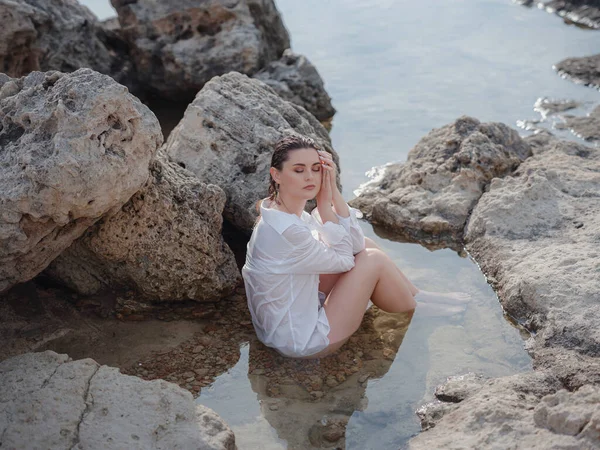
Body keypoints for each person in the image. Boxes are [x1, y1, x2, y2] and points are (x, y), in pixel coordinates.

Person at [242, 135, 469, 359]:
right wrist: (324, 204)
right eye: (298, 170)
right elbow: (345, 260)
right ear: (276, 175)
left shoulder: (283, 214)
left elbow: (356, 245)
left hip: (287, 323)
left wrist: (334, 196)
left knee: (366, 247)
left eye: (316, 169)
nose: (310, 177)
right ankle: (413, 311)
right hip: (301, 342)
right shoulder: (288, 230)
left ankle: (417, 296)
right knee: (372, 261)